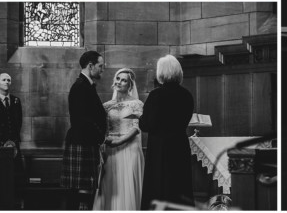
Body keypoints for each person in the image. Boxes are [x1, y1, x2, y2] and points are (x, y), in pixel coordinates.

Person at [140, 55, 194, 209]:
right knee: (180, 186)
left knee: (160, 186)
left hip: (160, 148)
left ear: (161, 72)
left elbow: (147, 124)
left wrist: (140, 118)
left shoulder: (156, 95)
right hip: (180, 145)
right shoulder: (186, 95)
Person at [61, 50, 108, 210]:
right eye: (100, 66)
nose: (102, 69)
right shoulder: (80, 87)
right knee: (78, 192)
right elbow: (83, 120)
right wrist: (101, 137)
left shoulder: (86, 85)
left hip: (86, 141)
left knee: (84, 191)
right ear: (90, 65)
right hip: (82, 141)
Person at [93, 68, 144, 211]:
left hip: (129, 148)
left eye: (124, 80)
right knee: (111, 184)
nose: (119, 82)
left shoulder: (136, 104)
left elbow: (136, 127)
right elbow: (104, 128)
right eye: (118, 79)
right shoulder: (107, 106)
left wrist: (119, 142)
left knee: (126, 185)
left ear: (130, 85)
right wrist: (107, 142)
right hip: (111, 150)